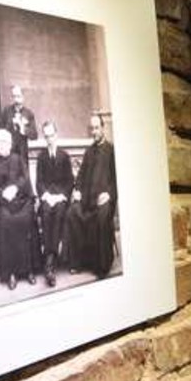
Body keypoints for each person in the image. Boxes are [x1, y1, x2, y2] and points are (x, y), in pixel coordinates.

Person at [0, 127, 37, 289]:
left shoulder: (18, 159)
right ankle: (10, 273)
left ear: (10, 143)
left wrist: (15, 188)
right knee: (6, 221)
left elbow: (26, 178)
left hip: (21, 200)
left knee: (26, 219)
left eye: (4, 141)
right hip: (3, 204)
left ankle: (28, 270)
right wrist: (2, 193)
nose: (1, 145)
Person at [66, 113, 118, 277]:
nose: (94, 131)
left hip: (104, 202)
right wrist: (77, 191)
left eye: (97, 128)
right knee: (72, 212)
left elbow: (119, 179)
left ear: (103, 128)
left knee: (102, 216)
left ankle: (101, 265)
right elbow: (80, 177)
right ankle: (78, 262)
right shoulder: (88, 152)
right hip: (87, 201)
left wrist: (109, 194)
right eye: (92, 129)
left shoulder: (111, 151)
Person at [35, 120, 75, 286]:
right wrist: (45, 195)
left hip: (60, 198)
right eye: (46, 136)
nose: (49, 139)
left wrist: (62, 196)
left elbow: (70, 181)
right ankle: (50, 258)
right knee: (45, 212)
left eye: (52, 135)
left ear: (56, 135)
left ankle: (49, 260)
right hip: (48, 197)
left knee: (59, 213)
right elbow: (39, 181)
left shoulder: (64, 156)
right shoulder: (41, 156)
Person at [0, 84, 39, 162]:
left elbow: (34, 135)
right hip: (8, 153)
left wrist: (22, 128)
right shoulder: (6, 112)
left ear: (23, 97)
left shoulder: (28, 113)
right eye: (14, 96)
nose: (16, 99)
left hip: (22, 154)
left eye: (18, 96)